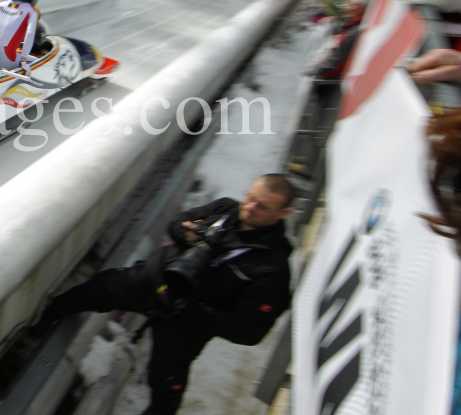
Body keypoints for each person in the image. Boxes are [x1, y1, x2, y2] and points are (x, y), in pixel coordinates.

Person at [28, 174, 295, 415]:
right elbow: (178, 221)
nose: (250, 208)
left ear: (283, 213)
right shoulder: (225, 208)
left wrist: (188, 309)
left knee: (167, 382)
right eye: (250, 198)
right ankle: (49, 315)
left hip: (188, 323)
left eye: (262, 207)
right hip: (156, 280)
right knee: (99, 289)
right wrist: (187, 234)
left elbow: (249, 330)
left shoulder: (273, 268)